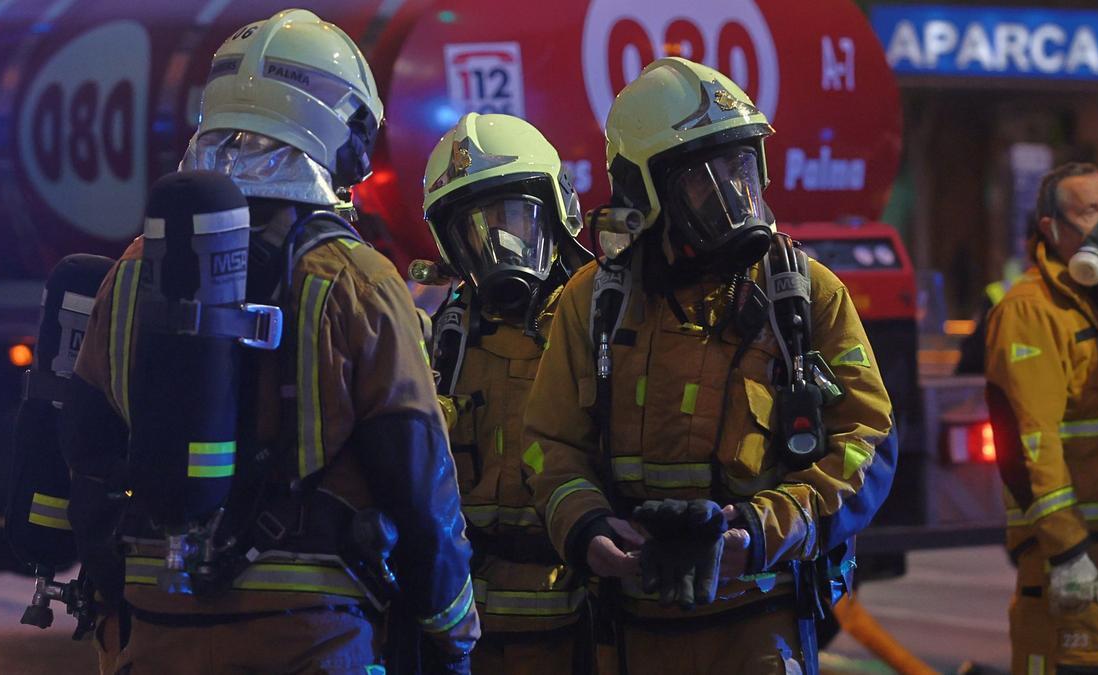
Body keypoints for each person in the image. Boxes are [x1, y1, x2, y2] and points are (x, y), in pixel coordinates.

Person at [62, 10, 478, 674]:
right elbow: (421, 487)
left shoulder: (134, 271)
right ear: (333, 128)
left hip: (159, 631)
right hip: (310, 641)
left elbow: (87, 447)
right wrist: (453, 635)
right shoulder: (356, 278)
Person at [523, 57, 895, 674]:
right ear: (645, 190)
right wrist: (587, 528)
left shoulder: (805, 293)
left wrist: (758, 532)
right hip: (630, 630)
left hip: (759, 622)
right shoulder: (593, 301)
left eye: (742, 165)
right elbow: (548, 446)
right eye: (706, 176)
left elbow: (870, 444)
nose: (735, 193)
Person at [418, 112, 593, 673]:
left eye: (511, 218)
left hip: (582, 626)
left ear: (557, 210)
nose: (496, 243)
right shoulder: (446, 343)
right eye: (474, 229)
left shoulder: (596, 323)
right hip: (470, 634)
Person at [986, 161, 1098, 675]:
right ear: (1051, 227)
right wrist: (1067, 553)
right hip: (1077, 559)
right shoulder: (1030, 311)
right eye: (1090, 212)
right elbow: (1030, 440)